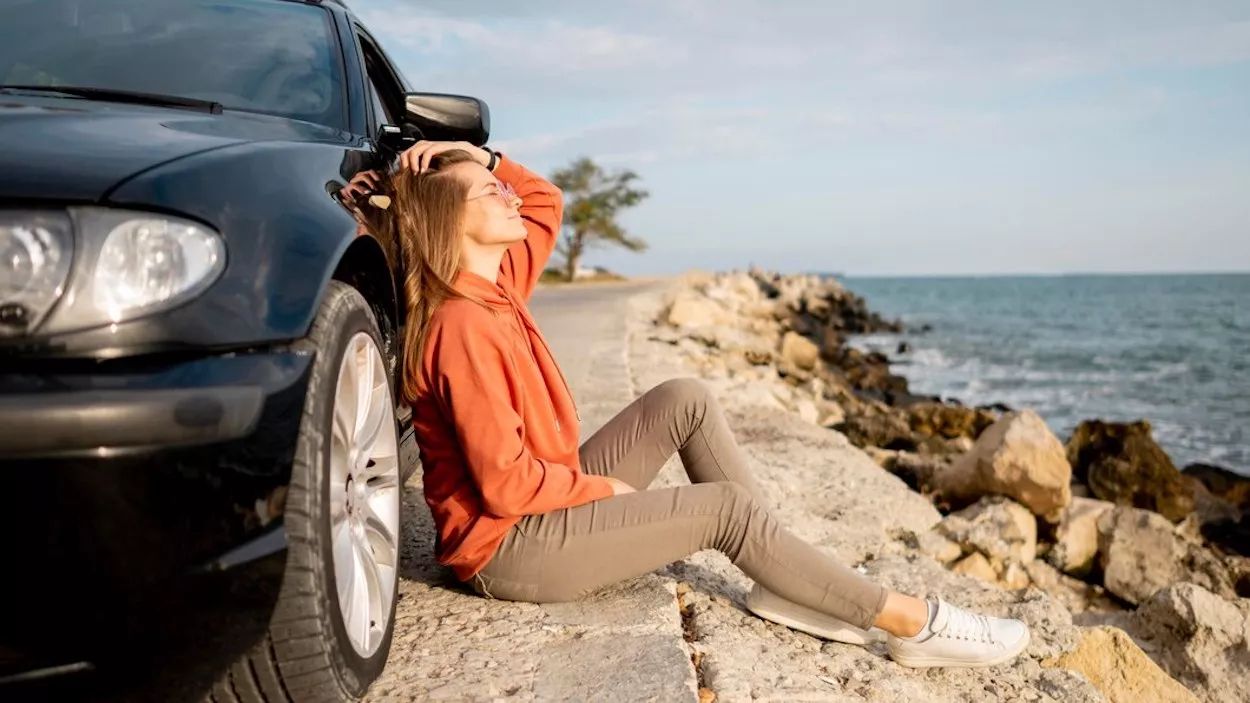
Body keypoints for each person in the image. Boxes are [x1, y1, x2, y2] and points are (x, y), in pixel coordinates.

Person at [355, 140, 1031, 669]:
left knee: (684, 398)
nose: (507, 196)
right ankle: (908, 621)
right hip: (511, 547)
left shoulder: (497, 282)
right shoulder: (461, 325)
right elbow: (503, 487)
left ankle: (782, 580)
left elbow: (546, 199)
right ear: (452, 220)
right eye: (486, 193)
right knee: (724, 510)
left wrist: (480, 158)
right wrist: (600, 487)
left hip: (541, 505)